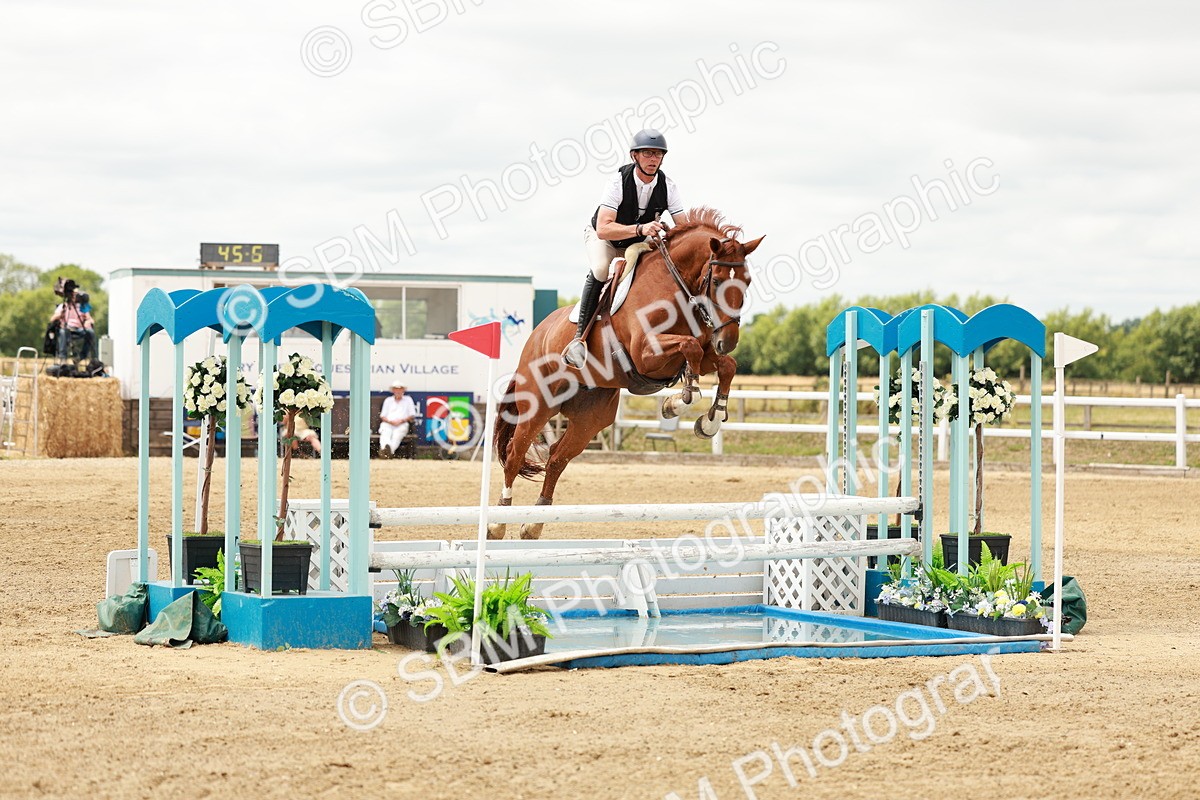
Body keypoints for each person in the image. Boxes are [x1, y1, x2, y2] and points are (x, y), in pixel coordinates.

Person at [562, 128, 685, 369]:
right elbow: (604, 228)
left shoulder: (668, 186)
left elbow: (684, 225)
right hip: (605, 239)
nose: (653, 159)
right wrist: (641, 229)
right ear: (634, 156)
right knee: (599, 269)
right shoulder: (617, 181)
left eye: (658, 154)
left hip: (635, 244)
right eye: (648, 154)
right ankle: (579, 339)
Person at [49, 293, 95, 360]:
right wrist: (61, 314)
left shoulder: (82, 307)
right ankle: (63, 358)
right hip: (67, 329)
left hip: (79, 329)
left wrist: (88, 322)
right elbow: (52, 319)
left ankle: (81, 357)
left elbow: (90, 319)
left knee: (90, 332)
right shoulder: (63, 306)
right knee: (62, 332)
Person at [378, 381, 417, 458]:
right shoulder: (388, 400)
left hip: (402, 424)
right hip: (388, 423)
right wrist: (390, 421)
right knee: (385, 434)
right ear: (393, 390)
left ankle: (387, 452)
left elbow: (412, 414)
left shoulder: (408, 400)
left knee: (397, 436)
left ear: (403, 390)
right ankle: (386, 450)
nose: (398, 391)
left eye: (400, 389)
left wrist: (401, 421)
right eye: (396, 389)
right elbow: (383, 416)